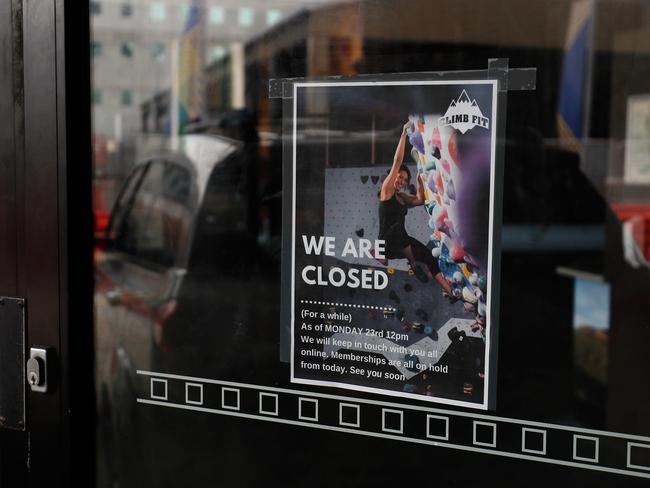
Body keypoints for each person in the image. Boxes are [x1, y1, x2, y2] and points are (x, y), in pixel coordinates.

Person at [379, 121, 455, 298]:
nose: (401, 181)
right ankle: (414, 264)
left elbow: (420, 200)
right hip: (387, 244)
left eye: (405, 180)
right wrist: (403, 134)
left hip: (402, 243)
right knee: (398, 229)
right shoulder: (386, 191)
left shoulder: (402, 197)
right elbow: (397, 161)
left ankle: (450, 291)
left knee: (428, 256)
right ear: (393, 175)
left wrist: (420, 180)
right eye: (399, 177)